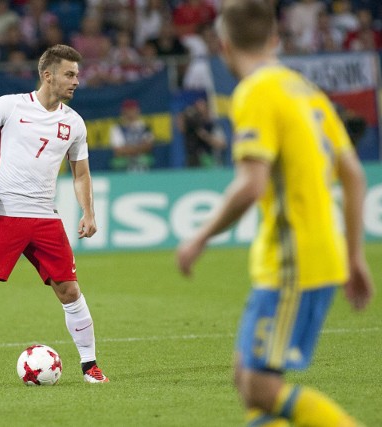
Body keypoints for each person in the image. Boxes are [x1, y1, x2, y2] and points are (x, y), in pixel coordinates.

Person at [176, 1, 374, 426]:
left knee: (260, 387)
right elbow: (354, 175)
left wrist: (198, 238)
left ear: (222, 45)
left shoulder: (254, 91)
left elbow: (251, 185)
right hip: (310, 256)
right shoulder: (302, 88)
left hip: (293, 261)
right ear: (274, 40)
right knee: (246, 378)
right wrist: (355, 256)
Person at [0, 44, 109, 391]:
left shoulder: (73, 123)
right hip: (5, 213)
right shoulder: (8, 105)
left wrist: (88, 212)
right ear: (48, 75)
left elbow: (80, 174)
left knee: (70, 290)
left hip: (46, 218)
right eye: (70, 74)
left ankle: (90, 366)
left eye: (77, 74)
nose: (77, 81)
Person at [109, 99, 154, 172]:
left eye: (132, 110)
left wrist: (130, 149)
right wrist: (138, 149)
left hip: (143, 164)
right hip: (123, 166)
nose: (130, 113)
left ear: (137, 110)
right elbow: (118, 150)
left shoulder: (145, 127)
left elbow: (148, 146)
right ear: (123, 112)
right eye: (128, 110)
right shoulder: (117, 128)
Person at [179, 97, 226, 168]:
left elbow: (222, 144)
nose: (200, 110)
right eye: (197, 108)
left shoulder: (212, 126)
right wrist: (185, 116)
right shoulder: (192, 126)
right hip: (193, 159)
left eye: (202, 107)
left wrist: (205, 135)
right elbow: (181, 128)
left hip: (209, 159)